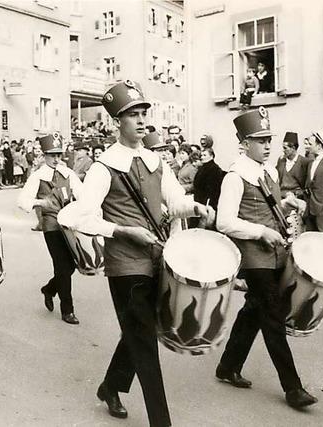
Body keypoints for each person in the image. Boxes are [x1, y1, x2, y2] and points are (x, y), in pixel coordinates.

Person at [67, 80, 214, 427]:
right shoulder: (105, 166)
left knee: (140, 329)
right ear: (117, 122)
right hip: (124, 265)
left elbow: (174, 202)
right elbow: (77, 216)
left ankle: (111, 385)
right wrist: (120, 230)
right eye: (132, 114)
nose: (141, 119)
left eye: (143, 112)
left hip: (157, 257)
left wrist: (195, 207)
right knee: (145, 339)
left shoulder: (154, 160)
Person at [215, 108, 316, 409]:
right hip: (254, 258)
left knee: (255, 309)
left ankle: (228, 365)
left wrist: (287, 204)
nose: (267, 146)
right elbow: (224, 221)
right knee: (272, 316)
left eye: (268, 139)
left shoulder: (270, 172)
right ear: (243, 143)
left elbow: (269, 208)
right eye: (259, 140)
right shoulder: (235, 176)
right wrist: (260, 231)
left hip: (275, 254)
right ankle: (293, 388)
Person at [17, 134, 83, 325]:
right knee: (62, 265)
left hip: (70, 225)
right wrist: (40, 202)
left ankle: (49, 289)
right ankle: (68, 310)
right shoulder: (38, 176)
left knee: (72, 266)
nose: (55, 159)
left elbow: (83, 194)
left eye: (58, 155)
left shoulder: (68, 173)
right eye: (51, 155)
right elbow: (22, 200)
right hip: (52, 225)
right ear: (44, 155)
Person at [276, 131, 310, 201]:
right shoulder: (281, 161)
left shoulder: (305, 162)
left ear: (293, 148)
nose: (283, 150)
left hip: (297, 199)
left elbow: (307, 186)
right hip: (281, 197)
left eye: (285, 148)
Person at [192, 146, 225, 211]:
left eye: (204, 155)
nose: (202, 157)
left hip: (207, 203)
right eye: (201, 155)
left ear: (211, 156)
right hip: (199, 200)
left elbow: (214, 190)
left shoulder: (214, 169)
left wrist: (209, 204)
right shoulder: (203, 167)